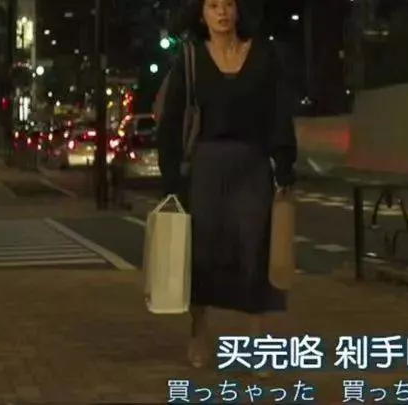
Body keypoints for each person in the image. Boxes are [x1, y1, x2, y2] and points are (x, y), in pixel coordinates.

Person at [157, 0, 297, 370]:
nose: (221, 12)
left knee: (255, 248)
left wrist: (284, 164)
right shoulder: (190, 59)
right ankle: (199, 331)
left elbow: (279, 112)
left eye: (228, 4)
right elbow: (170, 122)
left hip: (252, 164)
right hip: (205, 166)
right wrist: (171, 178)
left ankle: (258, 339)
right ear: (201, 14)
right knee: (203, 253)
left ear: (238, 11)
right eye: (213, 5)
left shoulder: (264, 55)